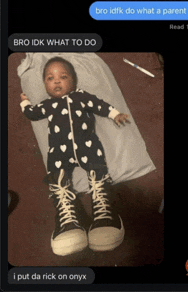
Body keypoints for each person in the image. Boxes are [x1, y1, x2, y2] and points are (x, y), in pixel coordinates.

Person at [20, 56, 130, 256]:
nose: (56, 81)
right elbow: (33, 113)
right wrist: (25, 102)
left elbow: (100, 105)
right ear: (44, 84)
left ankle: (102, 209)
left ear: (74, 81)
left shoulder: (82, 97)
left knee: (98, 169)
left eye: (63, 76)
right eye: (50, 78)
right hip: (59, 151)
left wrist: (115, 114)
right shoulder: (48, 105)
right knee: (57, 174)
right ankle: (67, 216)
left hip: (87, 146)